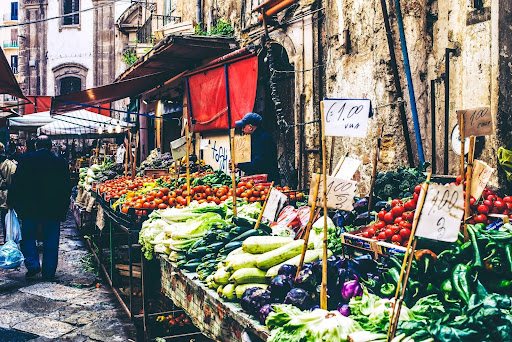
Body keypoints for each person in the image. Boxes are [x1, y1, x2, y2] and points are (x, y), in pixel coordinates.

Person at [7, 135, 71, 279]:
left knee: (28, 237)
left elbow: (16, 183)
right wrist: (64, 208)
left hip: (29, 208)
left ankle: (32, 265)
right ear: (50, 146)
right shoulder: (60, 163)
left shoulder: (25, 160)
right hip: (52, 209)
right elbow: (66, 188)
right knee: (51, 240)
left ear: (36, 146)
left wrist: (11, 201)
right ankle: (48, 272)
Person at [234, 113, 280, 183]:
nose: (243, 130)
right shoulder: (256, 138)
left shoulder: (264, 139)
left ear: (250, 127)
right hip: (260, 181)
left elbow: (258, 165)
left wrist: (239, 165)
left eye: (243, 127)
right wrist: (239, 166)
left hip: (267, 182)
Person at [0, 143, 16, 243]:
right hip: (6, 195)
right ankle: (7, 239)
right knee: (5, 219)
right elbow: (15, 180)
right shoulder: (11, 165)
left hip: (4, 195)